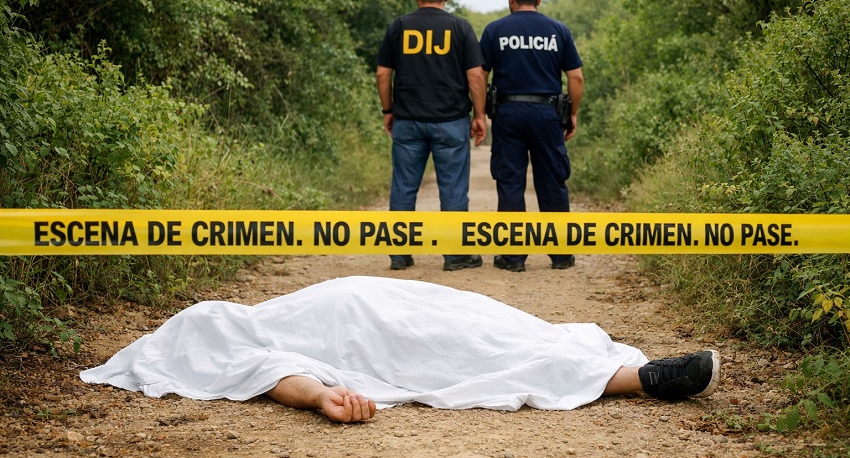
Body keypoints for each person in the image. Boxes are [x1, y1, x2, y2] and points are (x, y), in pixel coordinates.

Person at [80, 276, 721, 424]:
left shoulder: (230, 323)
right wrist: (324, 396)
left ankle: (618, 369)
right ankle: (642, 377)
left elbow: (270, 361)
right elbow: (280, 377)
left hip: (362, 300)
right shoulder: (238, 354)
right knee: (473, 351)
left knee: (489, 323)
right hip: (377, 331)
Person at [376, 0, 488, 272]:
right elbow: (475, 75)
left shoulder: (399, 26)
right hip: (451, 120)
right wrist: (480, 115)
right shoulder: (460, 27)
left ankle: (400, 255)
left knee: (403, 187)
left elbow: (383, 73)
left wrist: (389, 109)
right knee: (452, 188)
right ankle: (455, 256)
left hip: (408, 120)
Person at [480, 0, 584, 272]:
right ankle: (561, 255)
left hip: (508, 113)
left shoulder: (495, 30)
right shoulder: (558, 30)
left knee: (511, 182)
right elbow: (575, 77)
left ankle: (513, 258)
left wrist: (478, 112)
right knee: (552, 181)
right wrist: (572, 113)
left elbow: (479, 74)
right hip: (546, 114)